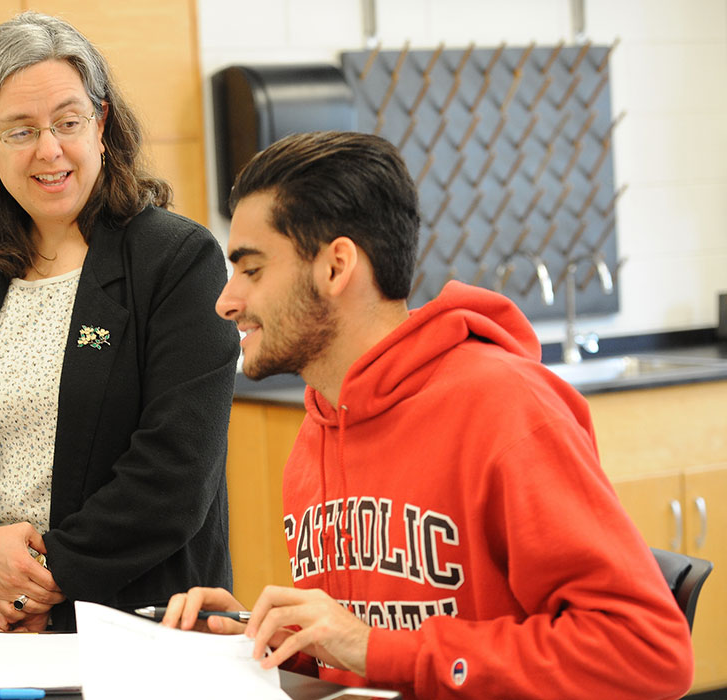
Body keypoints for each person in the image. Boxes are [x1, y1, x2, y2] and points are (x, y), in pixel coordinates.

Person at [161, 131, 695, 699]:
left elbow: (647, 652)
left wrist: (374, 648)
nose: (226, 300)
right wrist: (261, 639)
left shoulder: (505, 409)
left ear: (337, 266)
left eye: (252, 270)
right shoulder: (318, 428)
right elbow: (361, 654)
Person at [0, 11, 238, 632]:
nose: (50, 149)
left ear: (101, 126)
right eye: (21, 130)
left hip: (133, 628)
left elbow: (175, 472)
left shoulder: (176, 261)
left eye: (68, 122)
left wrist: (40, 586)